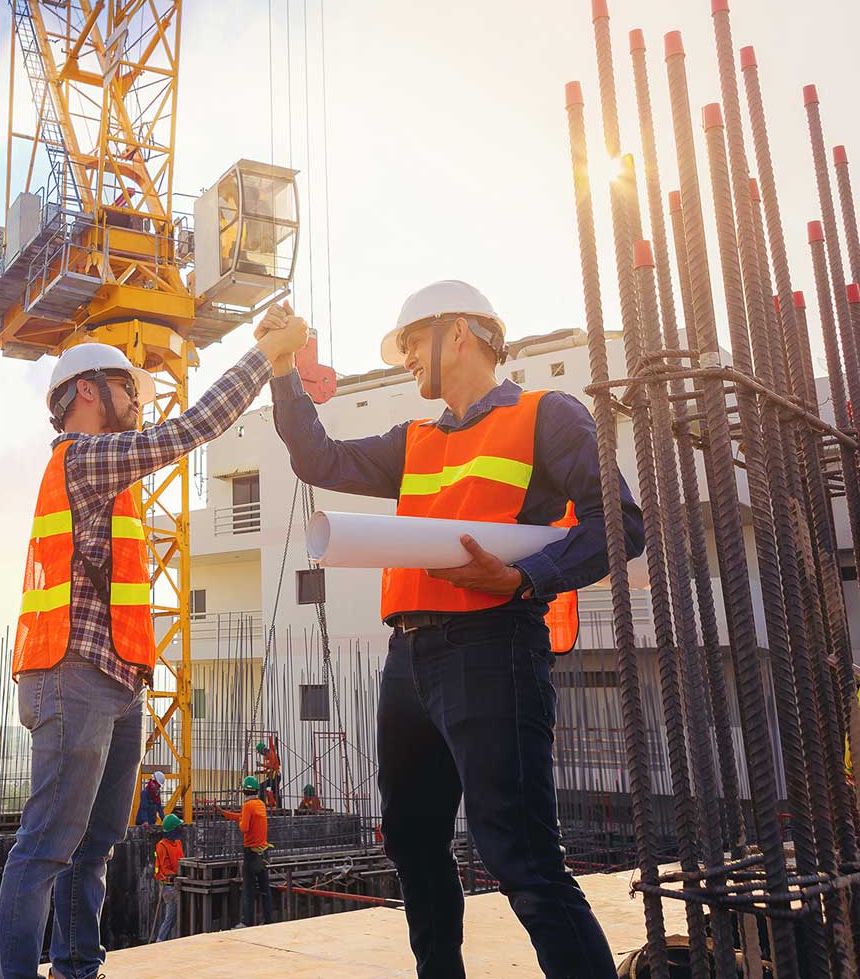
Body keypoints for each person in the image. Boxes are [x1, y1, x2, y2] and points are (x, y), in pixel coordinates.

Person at [269, 282, 644, 979]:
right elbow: (318, 460)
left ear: (463, 333)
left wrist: (527, 577)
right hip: (408, 658)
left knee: (521, 855)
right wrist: (282, 371)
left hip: (493, 646)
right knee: (412, 840)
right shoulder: (415, 440)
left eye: (413, 341)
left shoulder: (546, 415)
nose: (407, 357)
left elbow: (619, 523)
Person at [0, 315, 310, 979]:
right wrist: (264, 356)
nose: (139, 403)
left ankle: (77, 965)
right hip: (70, 674)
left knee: (96, 843)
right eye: (127, 390)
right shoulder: (82, 459)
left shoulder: (113, 478)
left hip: (118, 678)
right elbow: (191, 429)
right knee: (47, 844)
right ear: (87, 392)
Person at [220, 776, 272, 928]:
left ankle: (247, 921)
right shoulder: (260, 804)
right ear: (256, 790)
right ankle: (268, 920)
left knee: (248, 889)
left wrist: (240, 819)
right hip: (263, 852)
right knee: (265, 888)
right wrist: (226, 814)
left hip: (251, 853)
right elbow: (244, 818)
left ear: (244, 791)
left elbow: (244, 827)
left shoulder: (247, 806)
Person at [152, 814, 185, 942]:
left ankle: (170, 940)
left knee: (176, 916)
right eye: (178, 827)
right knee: (170, 917)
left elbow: (181, 860)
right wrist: (177, 875)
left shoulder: (177, 843)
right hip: (169, 886)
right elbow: (165, 869)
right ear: (172, 830)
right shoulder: (162, 846)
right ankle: (159, 941)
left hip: (178, 883)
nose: (180, 829)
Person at [256, 737, 282, 808]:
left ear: (262, 750)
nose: (260, 754)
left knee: (261, 787)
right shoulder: (267, 756)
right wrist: (260, 772)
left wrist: (261, 764)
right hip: (273, 777)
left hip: (275, 777)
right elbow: (268, 769)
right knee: (275, 792)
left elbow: (271, 766)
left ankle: (262, 804)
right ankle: (278, 807)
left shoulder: (270, 753)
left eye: (260, 752)